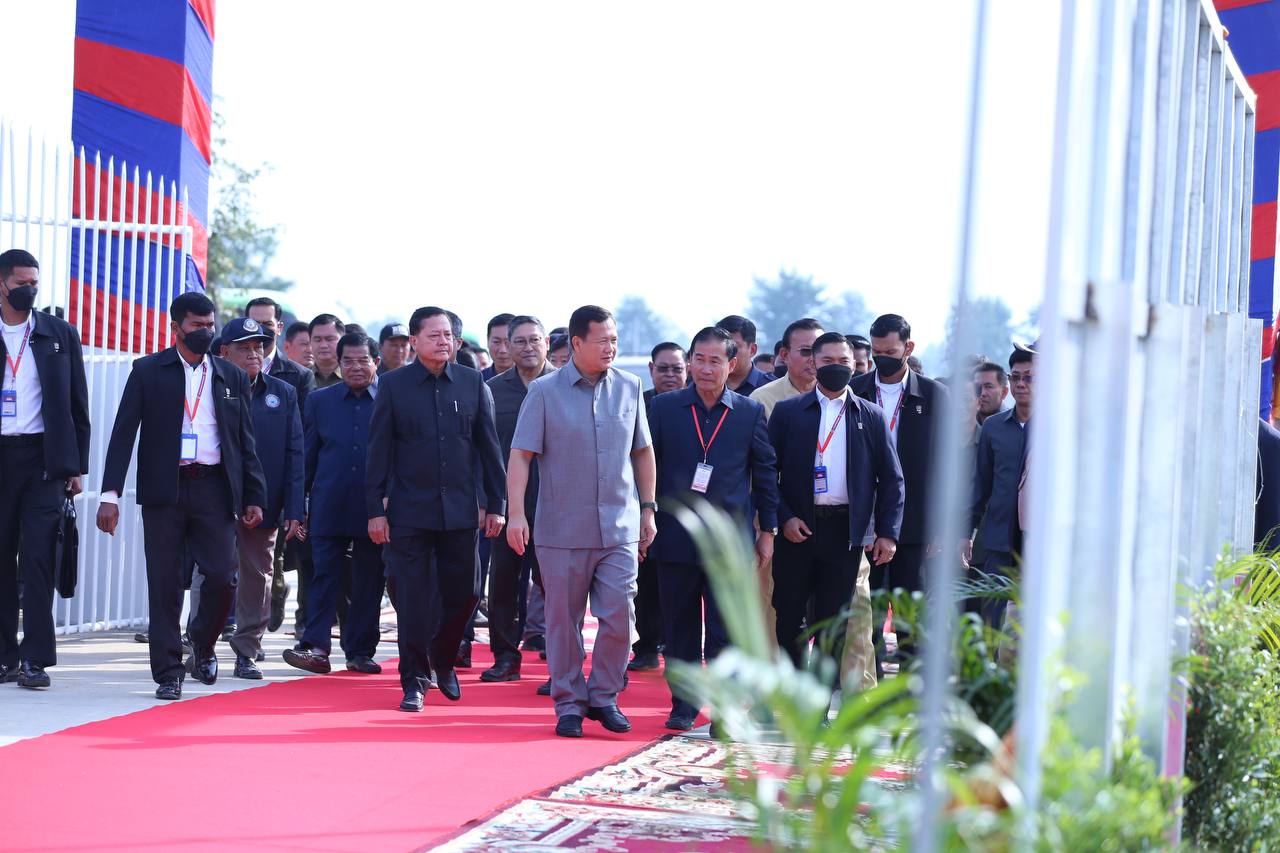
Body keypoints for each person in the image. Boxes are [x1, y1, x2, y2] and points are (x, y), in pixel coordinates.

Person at [97, 292, 267, 700]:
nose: (205, 332)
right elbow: (123, 434)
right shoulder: (148, 371)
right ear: (176, 327)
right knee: (165, 583)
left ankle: (203, 645)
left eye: (210, 325)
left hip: (214, 487)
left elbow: (245, 442)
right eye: (197, 325)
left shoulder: (230, 375)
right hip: (164, 490)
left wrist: (254, 495)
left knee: (223, 575)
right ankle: (168, 672)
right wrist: (110, 494)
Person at [507, 304, 657, 738]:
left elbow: (642, 451)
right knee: (563, 623)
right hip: (561, 530)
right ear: (576, 343)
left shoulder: (630, 386)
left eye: (615, 340)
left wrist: (648, 508)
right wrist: (516, 514)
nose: (611, 348)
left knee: (620, 617)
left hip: (619, 527)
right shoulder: (544, 392)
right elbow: (521, 455)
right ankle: (570, 704)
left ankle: (605, 696)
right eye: (603, 340)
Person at [367, 306, 506, 712]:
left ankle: (442, 659)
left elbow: (489, 449)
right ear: (414, 341)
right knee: (412, 598)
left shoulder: (472, 382)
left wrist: (496, 505)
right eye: (434, 335)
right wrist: (375, 509)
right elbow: (379, 451)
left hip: (461, 510)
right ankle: (413, 680)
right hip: (409, 511)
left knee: (465, 594)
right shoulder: (393, 385)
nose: (444, 341)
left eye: (448, 335)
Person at [647, 326, 779, 729]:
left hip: (729, 541)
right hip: (674, 535)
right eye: (699, 360)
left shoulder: (749, 412)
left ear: (732, 364)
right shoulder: (664, 408)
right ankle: (683, 705)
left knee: (725, 631)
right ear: (690, 362)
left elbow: (765, 473)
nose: (706, 369)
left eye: (715, 361)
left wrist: (768, 531)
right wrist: (645, 517)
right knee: (679, 627)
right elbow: (644, 469)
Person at [769, 332, 903, 691]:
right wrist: (784, 517)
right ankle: (795, 694)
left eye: (844, 361)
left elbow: (892, 479)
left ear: (855, 365)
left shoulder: (871, 415)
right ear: (814, 363)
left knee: (834, 625)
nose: (837, 367)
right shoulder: (788, 413)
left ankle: (819, 701)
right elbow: (766, 474)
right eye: (828, 361)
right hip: (797, 531)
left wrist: (887, 532)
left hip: (845, 534)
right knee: (789, 619)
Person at [0, 249, 90, 689]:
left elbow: (77, 404)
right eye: (21, 283)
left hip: (43, 459)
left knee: (38, 558)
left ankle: (35, 659)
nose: (29, 290)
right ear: (2, 284)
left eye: (34, 282)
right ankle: (5, 657)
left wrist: (76, 465)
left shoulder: (59, 333)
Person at [851, 314, 948, 673]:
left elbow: (946, 468)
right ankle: (871, 681)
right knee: (867, 609)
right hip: (864, 520)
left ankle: (910, 683)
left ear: (908, 348)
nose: (882, 359)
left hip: (916, 522)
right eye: (876, 352)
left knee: (911, 612)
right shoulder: (856, 390)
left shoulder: (935, 396)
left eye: (890, 352)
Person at [285, 332, 387, 676]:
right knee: (323, 577)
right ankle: (316, 647)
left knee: (368, 582)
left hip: (374, 509)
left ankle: (360, 651)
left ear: (376, 362)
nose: (356, 367)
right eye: (348, 361)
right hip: (328, 503)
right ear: (339, 364)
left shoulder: (389, 399)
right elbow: (307, 456)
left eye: (363, 360)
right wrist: (297, 506)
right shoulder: (319, 401)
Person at [213, 318, 304, 679]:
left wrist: (294, 508)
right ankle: (202, 646)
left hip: (264, 502)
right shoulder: (209, 386)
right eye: (244, 348)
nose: (254, 353)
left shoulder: (282, 392)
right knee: (212, 573)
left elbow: (295, 452)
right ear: (224, 352)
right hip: (214, 497)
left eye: (259, 346)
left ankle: (247, 650)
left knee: (257, 576)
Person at [480, 315, 555, 683]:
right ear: (506, 347)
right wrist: (488, 502)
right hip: (508, 507)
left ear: (546, 343)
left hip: (556, 506)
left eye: (534, 340)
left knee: (557, 588)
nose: (528, 347)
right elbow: (483, 451)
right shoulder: (491, 390)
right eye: (520, 341)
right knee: (504, 584)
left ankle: (561, 662)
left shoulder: (566, 386)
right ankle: (505, 658)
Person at [246, 297, 315, 632]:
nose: (261, 331)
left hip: (276, 484)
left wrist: (296, 497)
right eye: (254, 323)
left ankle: (272, 601)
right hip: (235, 483)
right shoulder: (226, 371)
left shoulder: (297, 377)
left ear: (279, 327)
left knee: (271, 560)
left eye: (267, 324)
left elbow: (299, 440)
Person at [966, 345, 1034, 627]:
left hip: (1038, 542)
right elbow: (981, 485)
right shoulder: (993, 427)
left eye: (1029, 378)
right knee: (992, 619)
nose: (1021, 384)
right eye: (1016, 377)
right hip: (999, 541)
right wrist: (966, 532)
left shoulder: (1055, 426)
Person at [750, 318, 824, 420]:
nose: (813, 359)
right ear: (784, 355)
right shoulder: (761, 399)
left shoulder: (838, 396)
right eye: (806, 351)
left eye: (819, 352)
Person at [716, 315, 773, 395]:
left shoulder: (771, 388)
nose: (726, 352)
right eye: (720, 346)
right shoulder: (703, 383)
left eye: (733, 346)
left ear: (752, 350)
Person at [309, 314, 345, 389]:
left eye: (330, 339)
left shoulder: (353, 376)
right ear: (310, 341)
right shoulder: (300, 377)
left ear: (342, 340)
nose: (323, 345)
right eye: (317, 340)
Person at [481, 313, 515, 380]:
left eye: (508, 342)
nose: (503, 350)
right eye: (496, 342)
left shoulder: (533, 381)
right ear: (487, 341)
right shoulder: (478, 381)